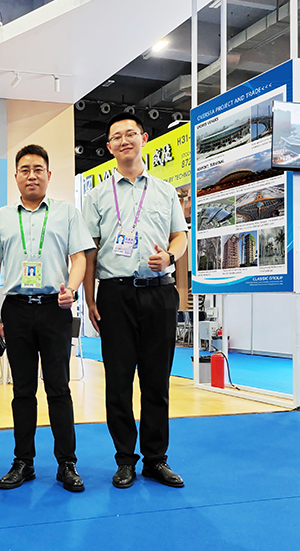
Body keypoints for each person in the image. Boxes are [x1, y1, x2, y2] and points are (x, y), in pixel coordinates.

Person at [82, 112, 188, 489]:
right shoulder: (96, 196)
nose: (124, 140)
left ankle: (156, 459)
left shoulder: (165, 191)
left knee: (157, 381)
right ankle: (125, 459)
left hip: (159, 291)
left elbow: (180, 236)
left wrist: (170, 257)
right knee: (118, 381)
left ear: (143, 138)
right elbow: (89, 251)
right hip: (115, 294)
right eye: (117, 136)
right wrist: (89, 299)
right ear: (109, 147)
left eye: (131, 133)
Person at [0, 144, 93, 493]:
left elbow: (79, 258)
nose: (32, 175)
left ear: (49, 175)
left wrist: (71, 289)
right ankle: (23, 462)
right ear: (16, 176)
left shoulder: (67, 213)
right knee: (23, 390)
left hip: (54, 308)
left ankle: (67, 463)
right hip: (15, 310)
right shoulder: (1, 218)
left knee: (59, 387)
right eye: (25, 170)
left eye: (38, 169)